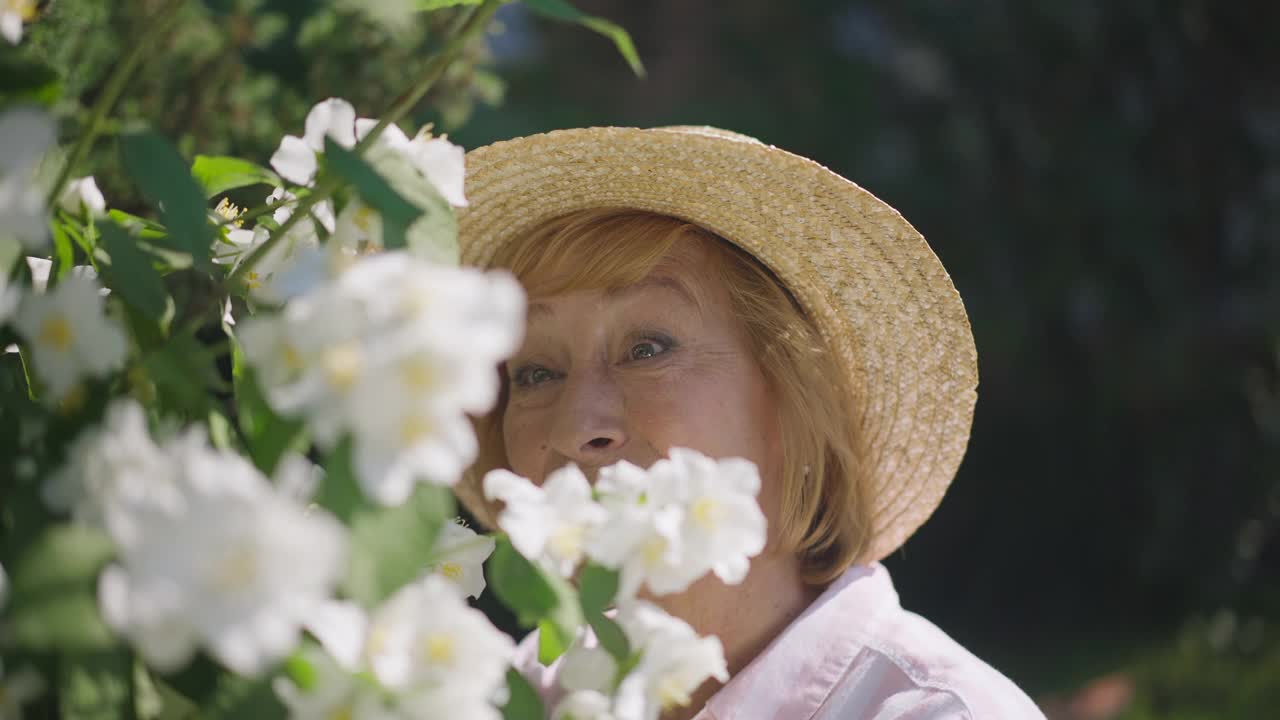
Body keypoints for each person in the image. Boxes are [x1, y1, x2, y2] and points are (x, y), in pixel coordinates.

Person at [453, 126, 1045, 719]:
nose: (575, 427)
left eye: (648, 349)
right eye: (534, 373)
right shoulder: (505, 697)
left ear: (796, 402)